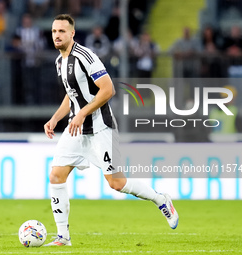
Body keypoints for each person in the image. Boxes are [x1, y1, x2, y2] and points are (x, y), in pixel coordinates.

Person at [43, 14, 179, 246]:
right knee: (56, 175)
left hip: (100, 127)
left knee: (116, 183)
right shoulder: (60, 61)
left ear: (72, 33)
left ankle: (160, 200)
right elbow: (72, 93)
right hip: (76, 129)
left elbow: (108, 89)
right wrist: (55, 118)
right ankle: (63, 237)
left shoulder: (86, 56)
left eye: (62, 31)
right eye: (54, 31)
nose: (57, 35)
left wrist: (83, 113)